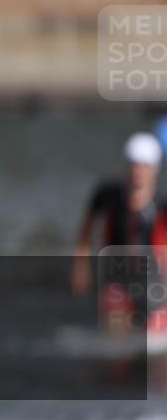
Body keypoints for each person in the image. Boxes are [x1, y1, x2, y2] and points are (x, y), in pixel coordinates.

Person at [71, 132, 167, 331]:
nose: (138, 172)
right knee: (117, 338)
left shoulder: (161, 204)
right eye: (134, 165)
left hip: (153, 280)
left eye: (144, 166)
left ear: (154, 170)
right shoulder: (108, 195)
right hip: (116, 277)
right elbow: (86, 231)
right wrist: (81, 267)